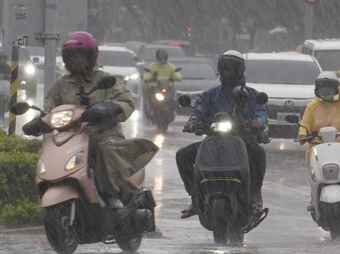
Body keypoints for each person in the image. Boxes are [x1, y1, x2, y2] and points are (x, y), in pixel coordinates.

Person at [45, 31, 158, 208]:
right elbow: (50, 107)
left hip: (104, 134)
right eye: (72, 57)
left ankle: (113, 193)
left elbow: (126, 101)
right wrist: (41, 120)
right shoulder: (61, 84)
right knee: (50, 152)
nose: (76, 61)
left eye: (80, 56)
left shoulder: (105, 80)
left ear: (91, 57)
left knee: (106, 150)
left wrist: (111, 108)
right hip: (71, 137)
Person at [175, 50, 267, 219]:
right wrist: (192, 122)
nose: (228, 71)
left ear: (240, 69)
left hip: (243, 143)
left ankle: (254, 195)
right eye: (225, 67)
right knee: (183, 155)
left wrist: (258, 122)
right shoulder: (211, 95)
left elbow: (260, 113)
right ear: (219, 69)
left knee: (258, 153)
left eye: (232, 67)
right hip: (213, 143)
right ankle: (195, 196)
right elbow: (199, 109)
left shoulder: (252, 95)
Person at [142, 48, 182, 118]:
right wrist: (150, 77)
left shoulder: (170, 66)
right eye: (161, 57)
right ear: (157, 57)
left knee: (174, 98)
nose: (162, 59)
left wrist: (176, 77)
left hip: (167, 88)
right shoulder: (152, 66)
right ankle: (149, 108)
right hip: (155, 88)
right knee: (148, 95)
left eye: (164, 57)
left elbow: (176, 73)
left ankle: (173, 110)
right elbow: (147, 74)